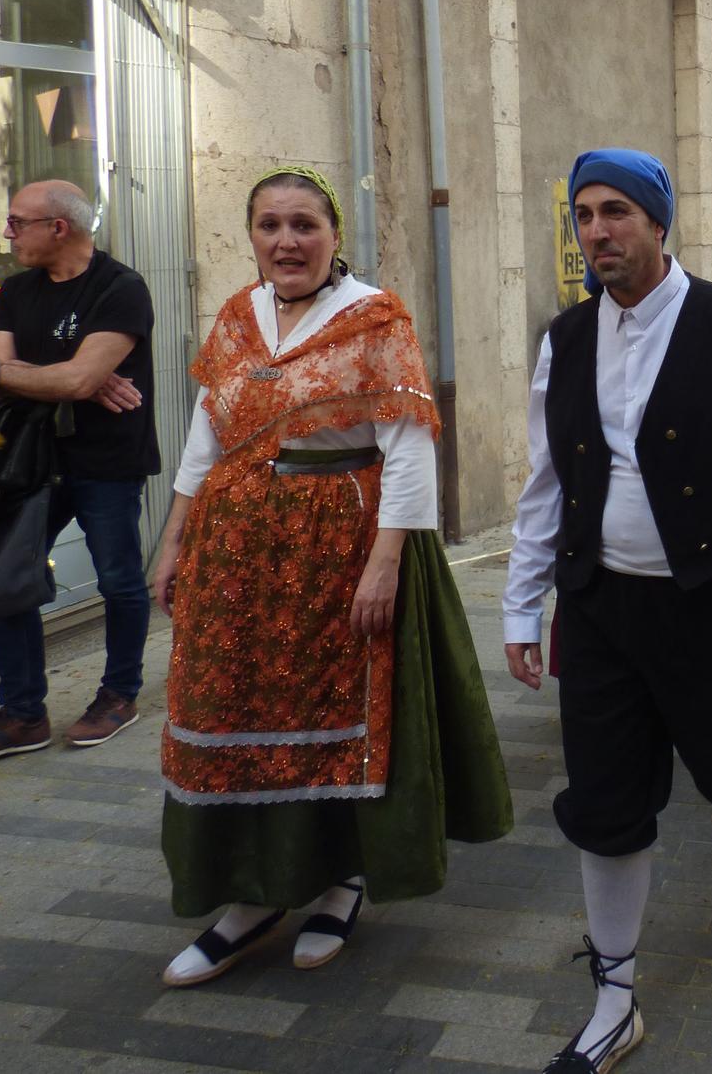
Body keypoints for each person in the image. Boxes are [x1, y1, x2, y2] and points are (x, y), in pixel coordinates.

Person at [149, 166, 511, 986]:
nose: (287, 241)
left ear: (334, 234)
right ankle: (251, 893)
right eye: (270, 225)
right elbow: (206, 437)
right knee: (232, 705)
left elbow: (411, 447)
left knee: (336, 714)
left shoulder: (375, 319)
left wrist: (385, 565)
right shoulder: (238, 317)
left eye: (305, 224)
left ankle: (341, 881)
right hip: (237, 557)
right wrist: (173, 542)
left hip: (341, 548)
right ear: (252, 236)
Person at [503, 149, 712, 1071]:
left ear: (657, 220)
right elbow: (545, 483)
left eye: (616, 212)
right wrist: (523, 608)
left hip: (709, 605)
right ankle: (614, 995)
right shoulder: (563, 336)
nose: (597, 230)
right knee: (604, 802)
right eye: (583, 215)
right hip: (598, 608)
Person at [0, 180, 159, 764]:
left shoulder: (121, 289)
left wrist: (39, 376)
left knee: (118, 578)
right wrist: (69, 375)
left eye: (17, 222)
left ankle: (118, 695)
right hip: (32, 460)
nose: (7, 232)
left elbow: (54, 378)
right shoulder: (16, 290)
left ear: (57, 228)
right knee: (7, 573)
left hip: (107, 460)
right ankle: (21, 715)